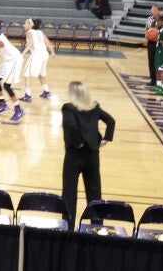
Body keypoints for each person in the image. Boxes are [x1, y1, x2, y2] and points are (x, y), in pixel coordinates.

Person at [61, 81, 115, 221]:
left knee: (69, 194)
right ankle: (96, 228)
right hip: (92, 155)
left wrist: (77, 142)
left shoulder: (69, 108)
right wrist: (106, 139)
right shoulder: (94, 107)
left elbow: (72, 126)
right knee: (94, 193)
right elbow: (111, 121)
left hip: (74, 156)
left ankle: (68, 228)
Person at [0, 21, 25, 122]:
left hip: (15, 60)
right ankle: (2, 104)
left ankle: (18, 109)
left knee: (7, 86)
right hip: (8, 60)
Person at [21, 18, 56, 101]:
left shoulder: (29, 32)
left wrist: (21, 54)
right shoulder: (40, 32)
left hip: (36, 55)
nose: (24, 25)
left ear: (30, 25)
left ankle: (27, 95)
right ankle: (46, 91)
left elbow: (29, 46)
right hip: (44, 54)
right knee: (41, 74)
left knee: (26, 74)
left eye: (25, 23)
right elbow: (48, 42)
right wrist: (53, 52)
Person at [145, 4, 163, 87]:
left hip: (159, 42)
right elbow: (148, 28)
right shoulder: (149, 18)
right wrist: (146, 34)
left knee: (159, 62)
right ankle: (153, 79)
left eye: (153, 9)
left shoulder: (162, 19)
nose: (151, 11)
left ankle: (160, 81)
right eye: (151, 9)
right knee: (151, 61)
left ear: (158, 11)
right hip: (151, 42)